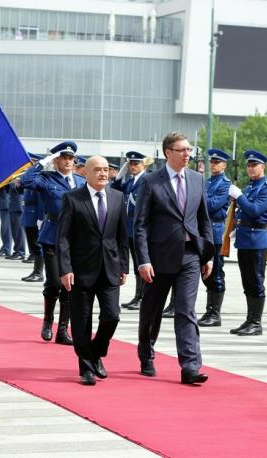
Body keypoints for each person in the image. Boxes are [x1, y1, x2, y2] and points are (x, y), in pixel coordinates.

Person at [134, 132, 214, 384]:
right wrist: (143, 260)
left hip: (190, 255)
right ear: (168, 152)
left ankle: (190, 366)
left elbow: (203, 220)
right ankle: (146, 353)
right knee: (152, 309)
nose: (187, 154)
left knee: (186, 310)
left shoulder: (197, 179)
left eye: (189, 149)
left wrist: (208, 255)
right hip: (159, 258)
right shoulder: (151, 182)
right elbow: (141, 225)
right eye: (182, 150)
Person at [57, 156, 129, 386]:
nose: (103, 174)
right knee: (82, 321)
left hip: (110, 268)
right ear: (85, 173)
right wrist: (65, 269)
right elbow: (63, 238)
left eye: (106, 169)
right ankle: (86, 368)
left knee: (112, 316)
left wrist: (124, 266)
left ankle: (96, 352)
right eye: (97, 170)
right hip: (80, 271)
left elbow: (122, 236)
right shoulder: (72, 199)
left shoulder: (117, 197)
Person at [22, 141, 86, 345]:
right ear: (56, 160)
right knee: (54, 283)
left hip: (76, 239)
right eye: (63, 158)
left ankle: (63, 330)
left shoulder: (81, 181)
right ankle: (48, 321)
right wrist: (44, 161)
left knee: (70, 285)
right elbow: (26, 181)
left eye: (70, 158)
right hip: (53, 236)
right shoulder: (46, 178)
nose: (67, 161)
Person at [228, 150, 267, 336]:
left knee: (256, 282)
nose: (250, 168)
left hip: (257, 239)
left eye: (254, 165)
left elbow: (255, 210)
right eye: (248, 165)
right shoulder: (250, 187)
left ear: (262, 167)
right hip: (244, 239)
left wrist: (239, 196)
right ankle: (250, 319)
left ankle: (256, 323)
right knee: (247, 282)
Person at [197, 148, 231, 327]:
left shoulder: (225, 184)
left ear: (224, 165)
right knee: (206, 274)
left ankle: (215, 313)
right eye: (212, 162)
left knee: (216, 272)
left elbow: (212, 205)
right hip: (204, 232)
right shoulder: (208, 182)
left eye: (217, 162)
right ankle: (209, 310)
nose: (213, 164)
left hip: (216, 231)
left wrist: (199, 196)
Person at [111, 151, 147, 311]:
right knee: (136, 264)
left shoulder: (146, 180)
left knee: (142, 263)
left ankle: (143, 297)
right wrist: (120, 174)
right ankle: (138, 296)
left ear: (143, 165)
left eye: (136, 164)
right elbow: (115, 189)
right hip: (129, 227)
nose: (133, 166)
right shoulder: (131, 181)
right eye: (130, 164)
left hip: (140, 227)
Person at [21, 153, 45, 282]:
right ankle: (35, 271)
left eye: (33, 163)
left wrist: (41, 218)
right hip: (28, 214)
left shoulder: (40, 179)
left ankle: (39, 272)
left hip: (35, 215)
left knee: (37, 245)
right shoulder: (30, 178)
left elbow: (41, 201)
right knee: (32, 245)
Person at [6, 178, 26, 261]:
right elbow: (7, 190)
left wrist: (14, 182)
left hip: (18, 206)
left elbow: (21, 189)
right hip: (13, 206)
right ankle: (17, 250)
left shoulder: (21, 176)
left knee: (19, 231)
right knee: (14, 231)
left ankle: (20, 252)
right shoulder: (12, 177)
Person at [0, 187, 13, 257]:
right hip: (2, 203)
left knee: (6, 228)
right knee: (4, 228)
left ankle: (6, 249)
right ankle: (5, 248)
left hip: (5, 202)